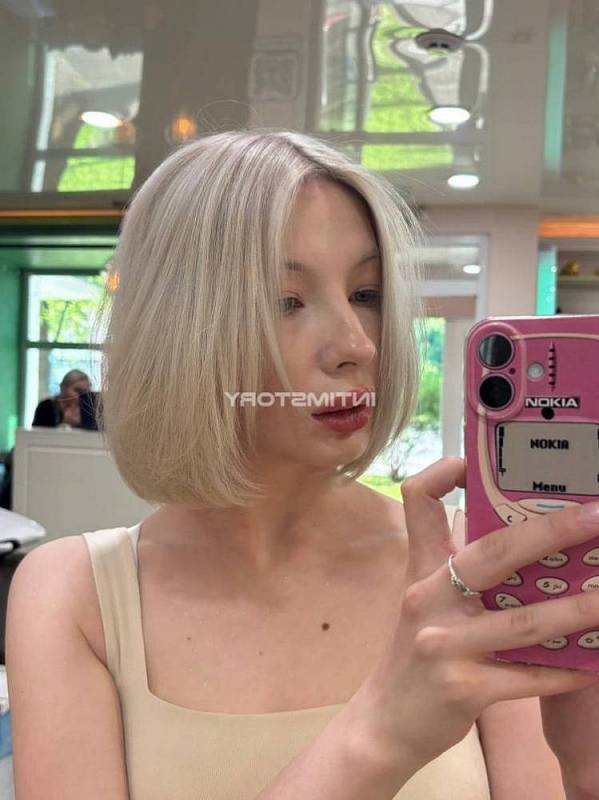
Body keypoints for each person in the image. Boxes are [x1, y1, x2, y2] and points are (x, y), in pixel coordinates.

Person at [5, 131, 599, 800]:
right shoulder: (73, 596)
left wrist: (583, 771)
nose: (355, 344)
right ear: (177, 330)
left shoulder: (466, 570)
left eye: (366, 293)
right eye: (285, 301)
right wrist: (382, 734)